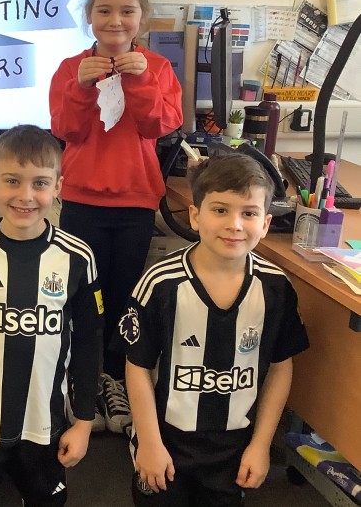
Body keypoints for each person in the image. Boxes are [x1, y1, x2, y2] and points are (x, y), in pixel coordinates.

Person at [120, 153, 309, 506]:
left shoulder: (276, 288)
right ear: (195, 216)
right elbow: (138, 366)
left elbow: (280, 368)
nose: (234, 224)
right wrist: (149, 442)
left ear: (265, 223)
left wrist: (261, 445)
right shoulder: (160, 284)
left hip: (233, 450)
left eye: (249, 213)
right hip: (166, 443)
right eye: (220, 210)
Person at [48, 0, 183, 434]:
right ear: (90, 16)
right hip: (82, 202)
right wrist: (81, 88)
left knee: (125, 297)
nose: (115, 20)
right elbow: (65, 130)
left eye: (127, 11)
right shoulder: (70, 69)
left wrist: (142, 81)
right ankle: (80, 379)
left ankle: (114, 378)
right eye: (104, 10)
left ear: (142, 16)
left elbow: (159, 126)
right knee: (82, 296)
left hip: (135, 203)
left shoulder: (159, 68)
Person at [0, 124, 104, 506]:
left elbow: (88, 345)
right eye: (12, 180)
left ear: (58, 187)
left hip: (46, 424)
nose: (26, 196)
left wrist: (83, 423)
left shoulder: (78, 258)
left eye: (40, 183)